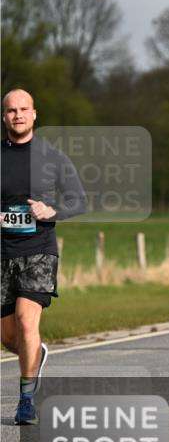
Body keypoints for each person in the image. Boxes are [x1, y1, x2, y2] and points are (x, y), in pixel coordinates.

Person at [1, 89, 86, 425]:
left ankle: (25, 401)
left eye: (23, 110)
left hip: (38, 250)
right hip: (3, 253)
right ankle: (36, 354)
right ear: (4, 117)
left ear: (34, 114)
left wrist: (51, 211)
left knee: (25, 320)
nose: (17, 115)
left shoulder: (53, 157)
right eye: (11, 111)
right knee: (9, 337)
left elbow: (79, 201)